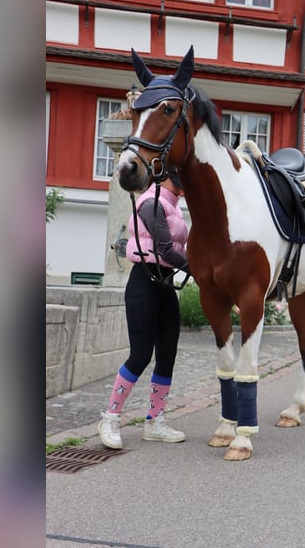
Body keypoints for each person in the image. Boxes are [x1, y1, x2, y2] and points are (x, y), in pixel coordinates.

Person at [98, 170, 189, 449]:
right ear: (168, 176)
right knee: (140, 355)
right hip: (143, 284)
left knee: (166, 356)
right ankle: (110, 417)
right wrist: (201, 270)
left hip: (164, 285)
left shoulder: (172, 205)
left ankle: (154, 421)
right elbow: (164, 248)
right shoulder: (152, 202)